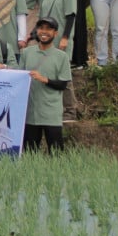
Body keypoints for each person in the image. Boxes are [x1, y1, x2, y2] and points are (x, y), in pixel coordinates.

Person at [19, 17, 72, 153]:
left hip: (51, 114)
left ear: (55, 33)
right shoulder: (26, 53)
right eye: (41, 28)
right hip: (31, 114)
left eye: (49, 29)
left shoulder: (62, 57)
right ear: (37, 31)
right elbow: (18, 77)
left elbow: (63, 84)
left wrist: (45, 79)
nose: (44, 32)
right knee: (30, 155)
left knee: (56, 155)